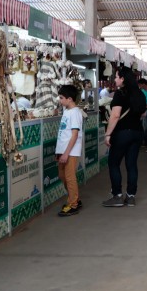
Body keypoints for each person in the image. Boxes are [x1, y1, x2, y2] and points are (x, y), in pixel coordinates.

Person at [102, 67, 147, 207]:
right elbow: (143, 114)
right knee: (131, 164)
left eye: (116, 77)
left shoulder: (120, 94)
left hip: (122, 133)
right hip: (137, 132)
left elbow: (115, 115)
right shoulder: (140, 94)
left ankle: (117, 196)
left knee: (114, 163)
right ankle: (131, 197)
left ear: (122, 79)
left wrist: (108, 134)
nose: (114, 80)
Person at [56, 85, 84, 217]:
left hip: (70, 152)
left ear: (70, 99)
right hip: (62, 150)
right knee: (62, 176)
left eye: (61, 98)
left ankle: (73, 204)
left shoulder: (75, 113)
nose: (59, 100)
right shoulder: (66, 110)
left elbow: (74, 135)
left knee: (69, 177)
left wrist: (66, 153)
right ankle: (75, 199)